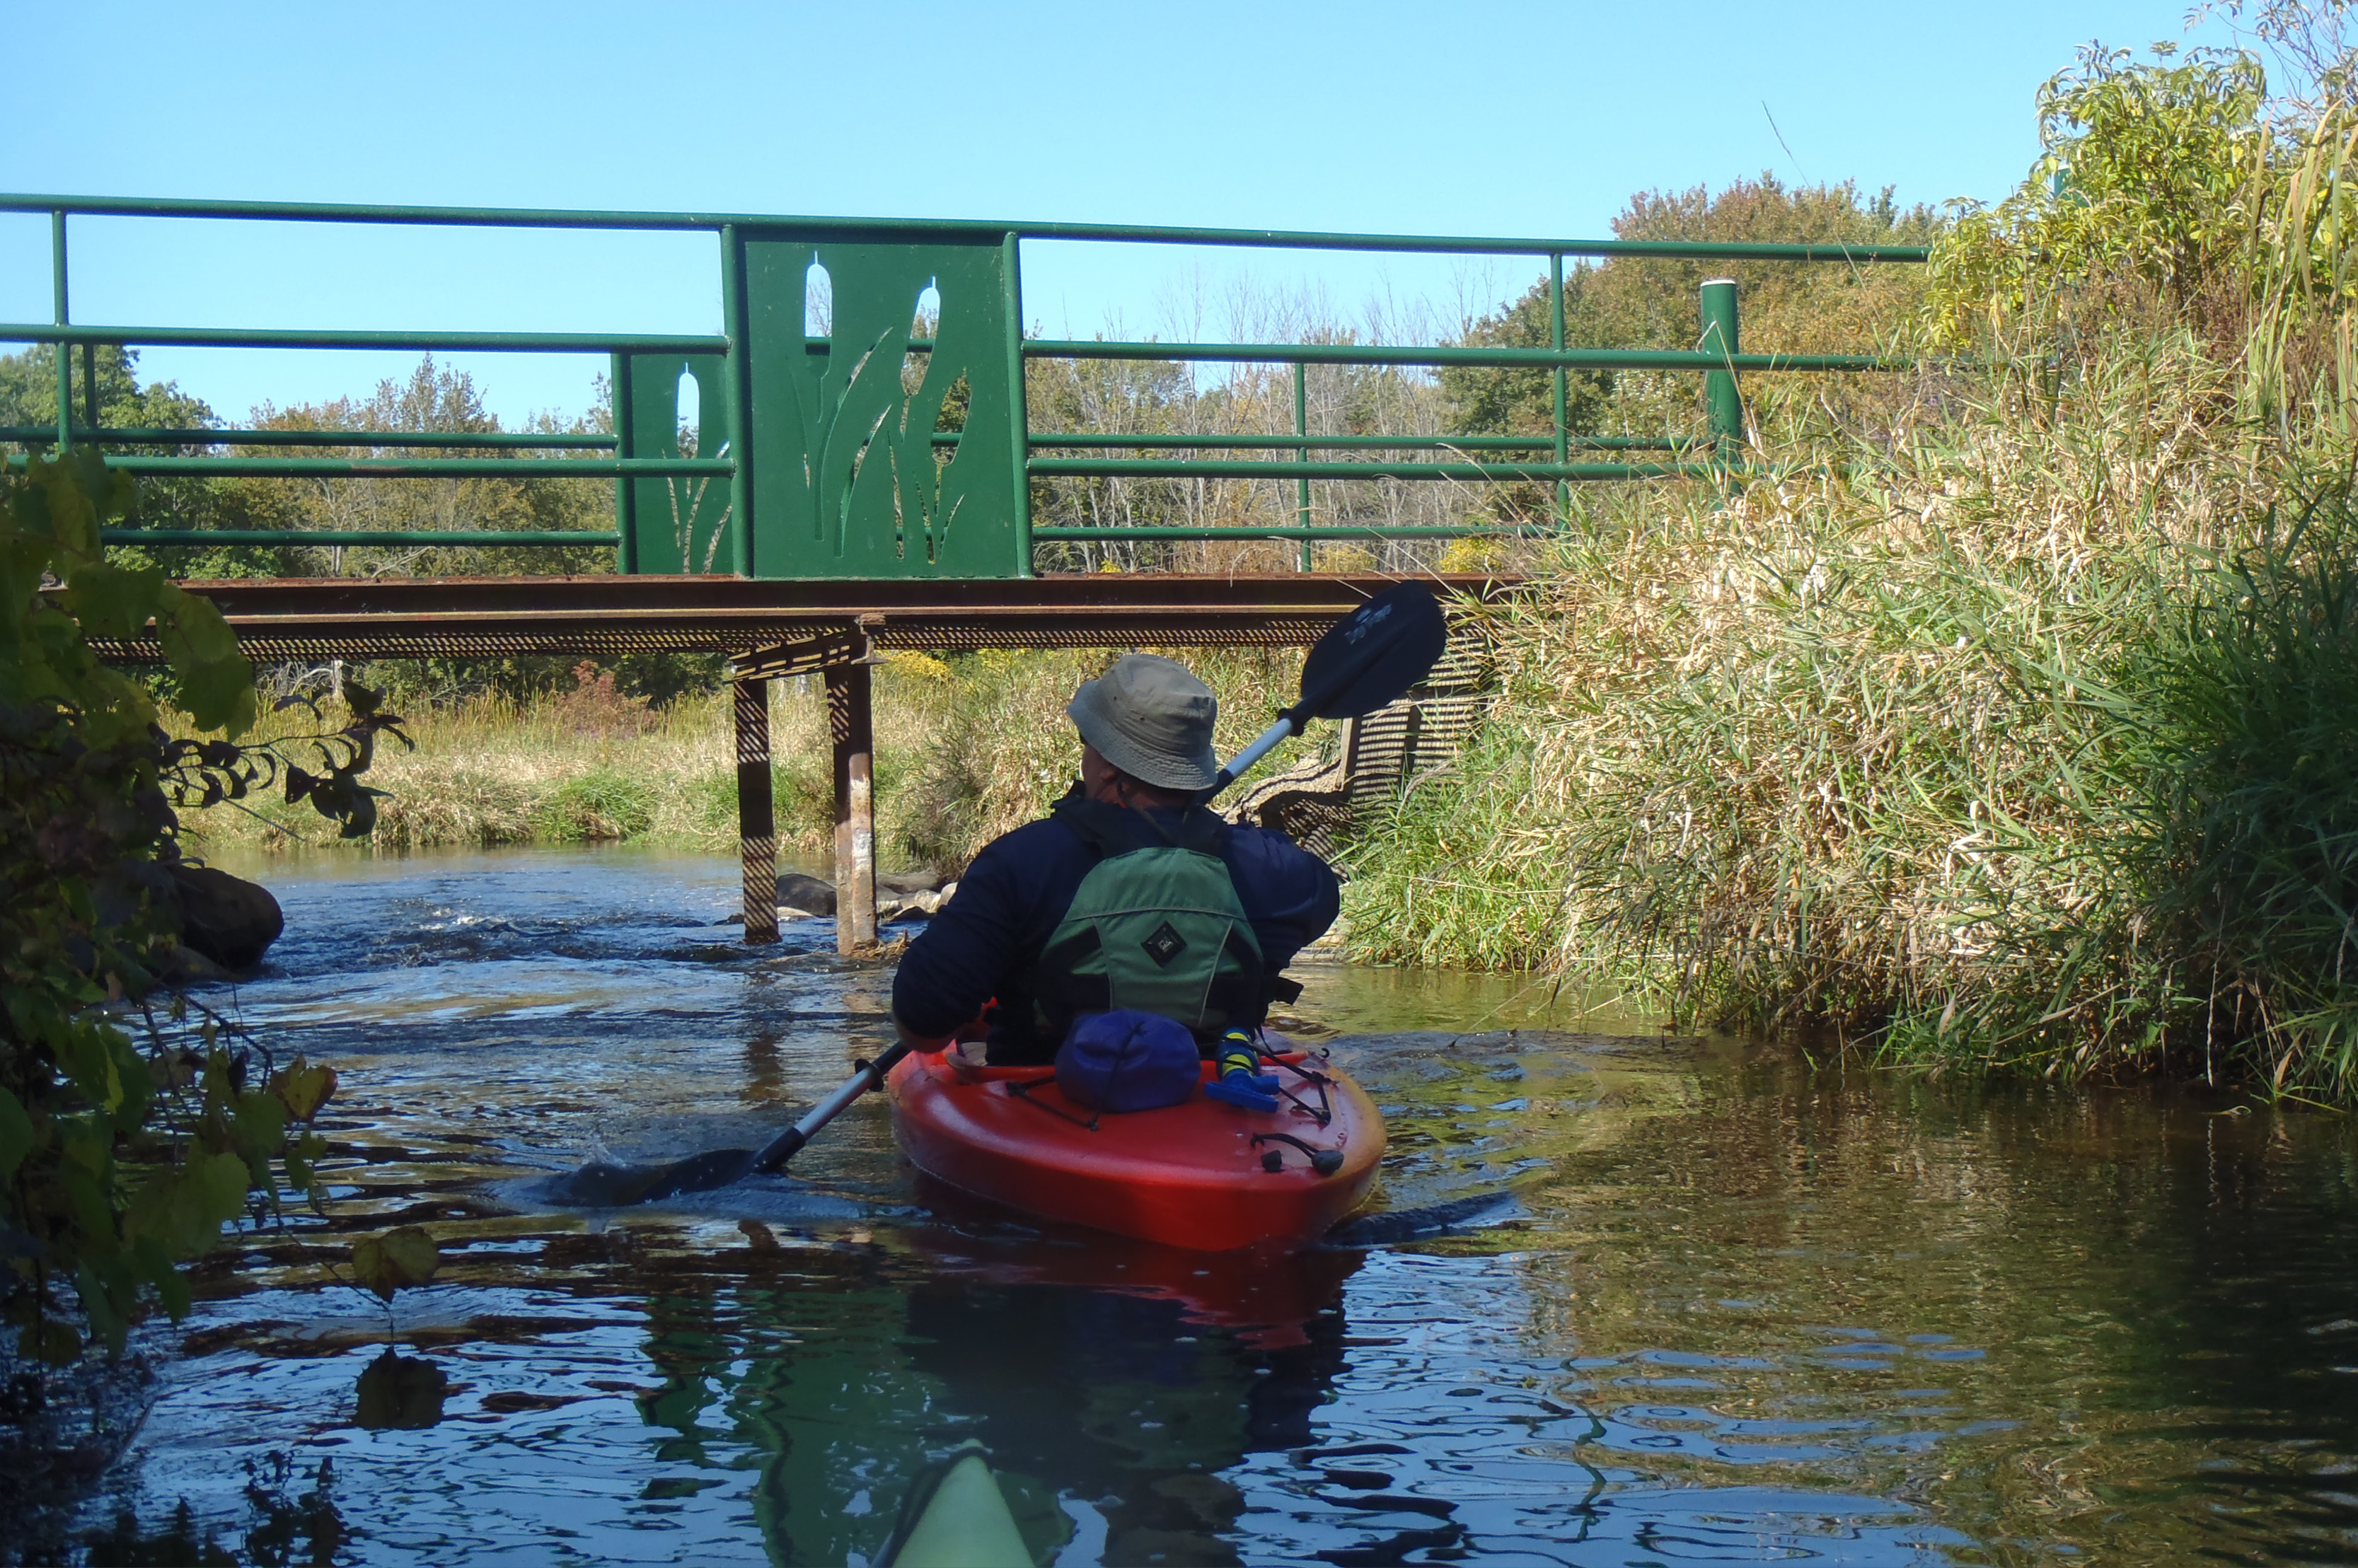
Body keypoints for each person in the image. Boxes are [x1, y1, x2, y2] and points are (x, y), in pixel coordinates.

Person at [891, 654, 1339, 1063]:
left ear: (1107, 764)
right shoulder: (1280, 871)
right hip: (1218, 1086)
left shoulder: (1019, 863)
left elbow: (924, 1030)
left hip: (1044, 1096)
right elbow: (1317, 908)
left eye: (1088, 738)